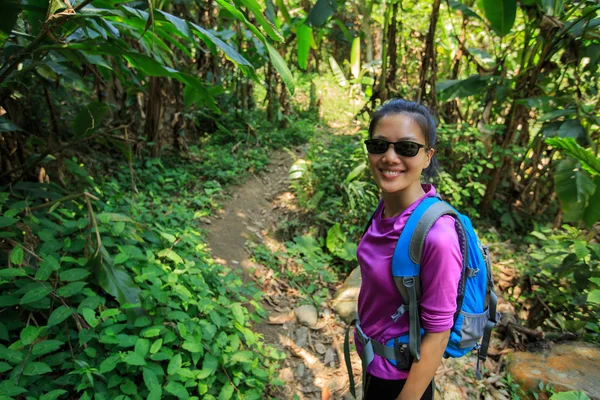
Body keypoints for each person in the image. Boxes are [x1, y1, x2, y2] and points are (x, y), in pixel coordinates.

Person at [356, 98, 462, 399]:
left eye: (406, 148)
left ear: (427, 156)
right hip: (374, 361)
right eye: (379, 145)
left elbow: (438, 335)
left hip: (400, 380)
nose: (390, 157)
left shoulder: (437, 236)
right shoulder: (385, 209)